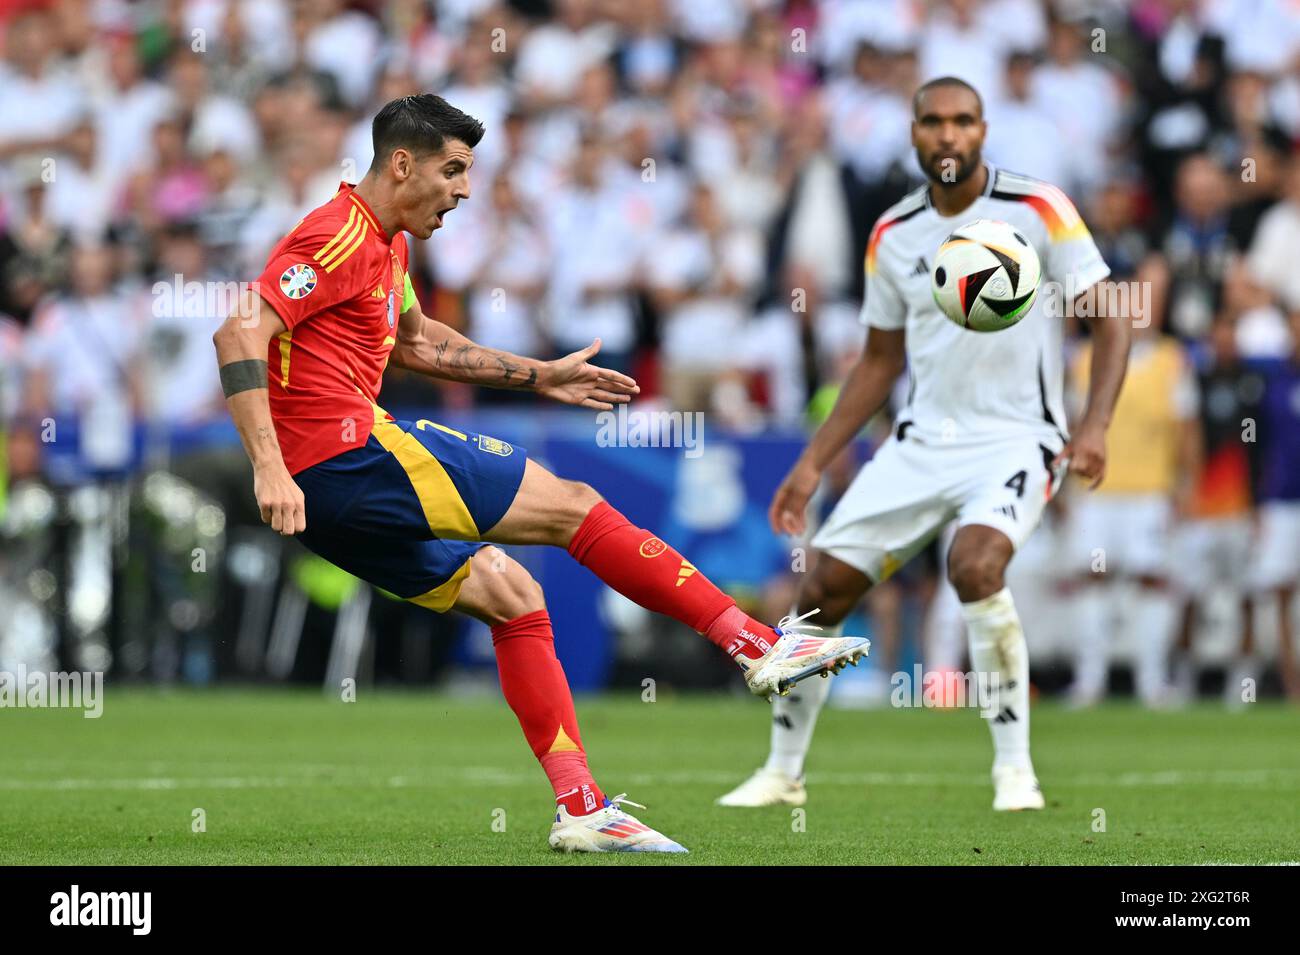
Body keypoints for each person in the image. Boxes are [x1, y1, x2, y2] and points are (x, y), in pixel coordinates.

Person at [210, 94, 869, 854]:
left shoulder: (387, 246)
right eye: (453, 171)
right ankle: (754, 644)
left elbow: (419, 344)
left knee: (512, 594)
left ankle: (581, 807)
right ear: (402, 164)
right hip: (349, 456)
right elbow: (239, 331)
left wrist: (541, 375)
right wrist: (269, 467)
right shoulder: (337, 236)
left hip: (331, 497)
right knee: (575, 506)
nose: (464, 190)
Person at [716, 77, 1129, 812]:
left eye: (962, 121)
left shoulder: (1039, 208)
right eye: (933, 121)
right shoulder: (893, 232)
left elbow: (1113, 314)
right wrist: (812, 461)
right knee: (821, 589)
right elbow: (879, 362)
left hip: (1018, 438)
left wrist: (1094, 423)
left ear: (983, 130)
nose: (948, 134)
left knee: (975, 566)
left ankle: (1014, 771)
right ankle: (782, 771)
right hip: (920, 442)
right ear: (913, 133)